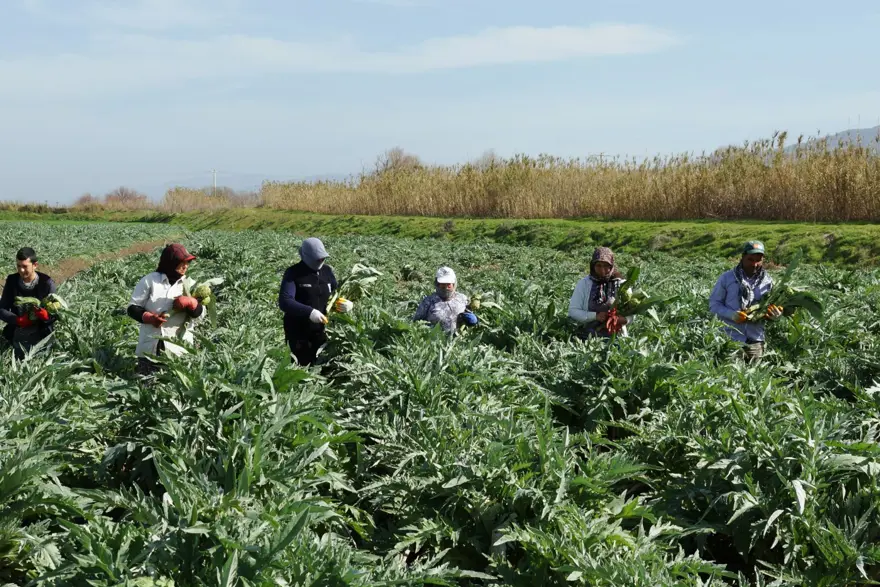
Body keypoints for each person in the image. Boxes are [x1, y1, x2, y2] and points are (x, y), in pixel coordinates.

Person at [127, 244, 204, 376]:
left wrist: (192, 303)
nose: (186, 266)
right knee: (147, 386)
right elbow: (132, 308)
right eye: (181, 262)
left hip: (179, 348)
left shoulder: (191, 285)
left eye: (187, 262)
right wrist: (150, 318)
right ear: (170, 262)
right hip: (150, 345)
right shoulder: (150, 281)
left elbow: (201, 314)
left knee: (174, 388)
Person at [279, 237, 349, 366]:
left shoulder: (327, 271)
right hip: (298, 333)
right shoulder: (293, 273)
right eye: (317, 258)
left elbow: (333, 295)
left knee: (322, 368)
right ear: (305, 256)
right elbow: (285, 301)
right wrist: (309, 312)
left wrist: (342, 304)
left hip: (322, 331)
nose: (321, 261)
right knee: (301, 368)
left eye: (323, 258)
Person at [709, 240, 783, 361]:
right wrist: (731, 315)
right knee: (731, 376)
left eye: (758, 260)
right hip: (730, 338)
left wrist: (776, 316)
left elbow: (771, 308)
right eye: (750, 259)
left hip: (756, 341)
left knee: (755, 378)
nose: (754, 264)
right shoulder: (727, 278)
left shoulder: (769, 282)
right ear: (742, 257)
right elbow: (714, 305)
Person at [0, 247, 58, 359]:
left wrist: (47, 316)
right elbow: (2, 309)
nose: (21, 270)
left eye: (25, 266)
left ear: (35, 265)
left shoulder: (46, 283)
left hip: (42, 333)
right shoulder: (12, 281)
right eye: (18, 266)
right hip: (17, 330)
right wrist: (18, 320)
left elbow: (56, 312)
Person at [568, 246, 636, 339]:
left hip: (617, 336)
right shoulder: (584, 284)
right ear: (593, 266)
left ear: (611, 265)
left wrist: (625, 320)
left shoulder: (622, 284)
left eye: (606, 266)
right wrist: (595, 316)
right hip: (587, 337)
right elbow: (573, 311)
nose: (602, 270)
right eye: (598, 265)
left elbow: (631, 313)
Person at [412, 266, 478, 334]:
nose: (446, 287)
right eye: (443, 285)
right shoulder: (428, 301)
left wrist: (472, 319)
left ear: (454, 284)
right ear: (437, 284)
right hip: (434, 341)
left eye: (449, 285)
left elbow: (468, 315)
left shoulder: (462, 299)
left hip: (458, 340)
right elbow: (416, 323)